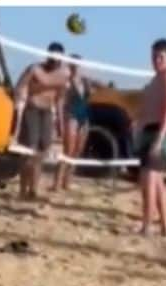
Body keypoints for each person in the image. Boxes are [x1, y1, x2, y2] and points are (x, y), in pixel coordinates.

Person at [134, 38, 166, 237]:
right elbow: (148, 108)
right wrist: (136, 123)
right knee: (157, 182)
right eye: (154, 56)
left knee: (149, 179)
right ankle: (165, 227)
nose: (156, 60)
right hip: (148, 131)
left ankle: (146, 226)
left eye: (160, 57)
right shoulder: (155, 80)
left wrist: (159, 140)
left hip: (161, 132)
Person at [14, 42, 70, 200]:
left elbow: (60, 98)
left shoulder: (64, 74)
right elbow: (19, 87)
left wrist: (59, 121)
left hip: (47, 112)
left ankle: (34, 189)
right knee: (29, 151)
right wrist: (20, 103)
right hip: (32, 109)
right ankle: (23, 188)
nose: (55, 60)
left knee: (42, 151)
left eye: (58, 57)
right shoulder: (35, 69)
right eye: (52, 56)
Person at [51, 54, 107, 192]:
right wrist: (59, 121)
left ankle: (67, 182)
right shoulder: (67, 82)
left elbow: (103, 85)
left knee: (77, 152)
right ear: (70, 65)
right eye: (73, 64)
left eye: (78, 64)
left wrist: (93, 80)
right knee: (68, 151)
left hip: (84, 116)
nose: (76, 66)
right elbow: (59, 102)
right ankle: (57, 183)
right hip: (71, 115)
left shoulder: (85, 81)